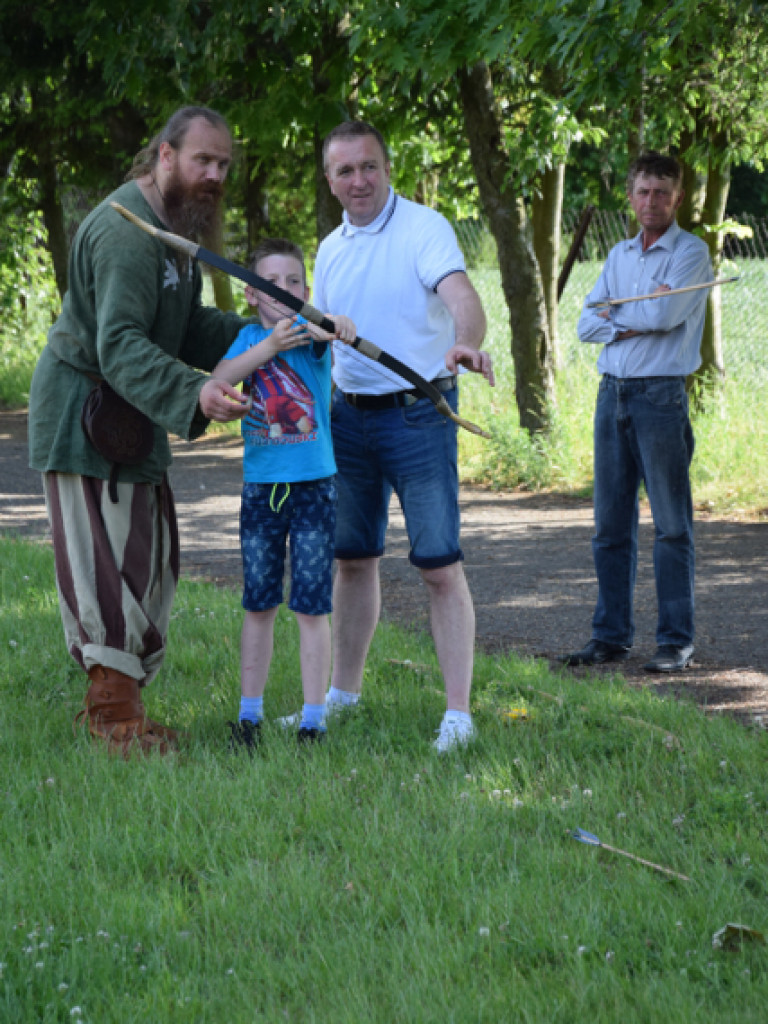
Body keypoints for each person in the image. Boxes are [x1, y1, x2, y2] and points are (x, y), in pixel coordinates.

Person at [28, 105, 255, 756]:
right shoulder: (126, 231)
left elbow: (186, 327)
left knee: (145, 557)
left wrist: (263, 331)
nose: (213, 174)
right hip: (85, 413)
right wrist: (197, 391)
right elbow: (122, 345)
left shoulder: (177, 230)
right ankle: (111, 719)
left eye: (223, 165)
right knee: (105, 561)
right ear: (164, 155)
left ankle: (123, 705)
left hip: (130, 417)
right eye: (201, 160)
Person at [295, 119, 495, 752]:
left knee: (439, 566)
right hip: (347, 419)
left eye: (369, 166)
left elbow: (460, 293)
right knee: (352, 560)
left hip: (418, 414)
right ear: (330, 181)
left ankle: (458, 715)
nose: (359, 180)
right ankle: (344, 695)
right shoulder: (329, 249)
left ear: (387, 168)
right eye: (345, 170)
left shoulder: (423, 228)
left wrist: (466, 341)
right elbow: (320, 334)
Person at [564, 151, 712, 674]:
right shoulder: (619, 255)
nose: (652, 201)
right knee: (610, 525)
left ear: (678, 197)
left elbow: (668, 313)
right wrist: (638, 312)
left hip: (660, 398)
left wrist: (619, 312)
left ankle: (675, 641)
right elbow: (586, 323)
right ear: (630, 196)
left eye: (663, 192)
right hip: (614, 395)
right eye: (644, 191)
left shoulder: (692, 253)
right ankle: (610, 638)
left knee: (672, 526)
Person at [211, 239, 355, 748]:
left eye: (295, 282)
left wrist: (336, 324)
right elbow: (221, 379)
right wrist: (267, 346)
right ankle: (249, 717)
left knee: (312, 605)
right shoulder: (249, 340)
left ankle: (313, 720)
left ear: (306, 290)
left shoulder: (309, 338)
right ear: (252, 295)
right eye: (274, 284)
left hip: (314, 489)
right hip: (261, 492)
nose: (286, 291)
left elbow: (331, 330)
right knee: (259, 602)